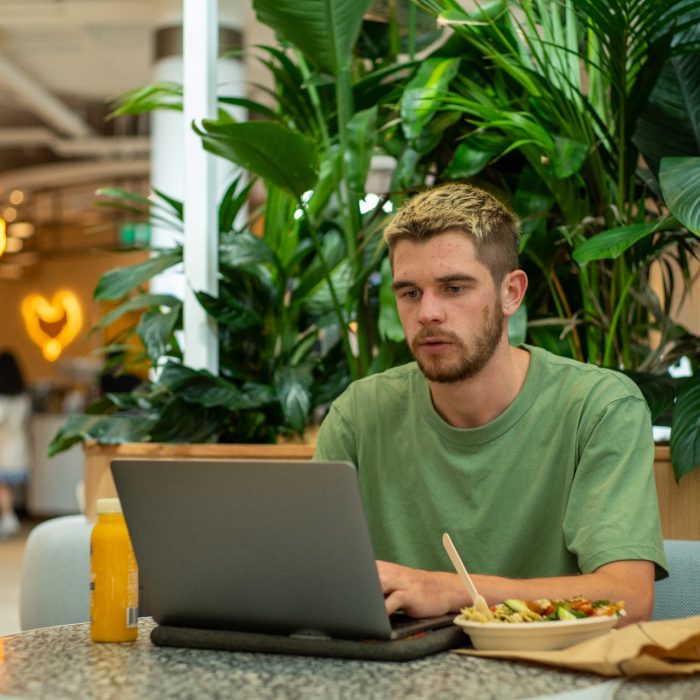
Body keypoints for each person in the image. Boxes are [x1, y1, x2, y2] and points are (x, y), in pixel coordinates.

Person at [314, 183, 667, 626]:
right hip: (395, 678)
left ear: (511, 293)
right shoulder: (358, 414)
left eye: (454, 288)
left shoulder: (599, 408)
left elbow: (628, 598)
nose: (428, 314)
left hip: (554, 681)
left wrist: (451, 590)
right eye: (410, 293)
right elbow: (312, 581)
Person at [0, 350, 32, 538]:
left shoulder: (3, 400)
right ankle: (8, 517)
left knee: (2, 486)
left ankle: (8, 517)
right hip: (17, 446)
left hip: (4, 448)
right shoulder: (23, 397)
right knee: (5, 486)